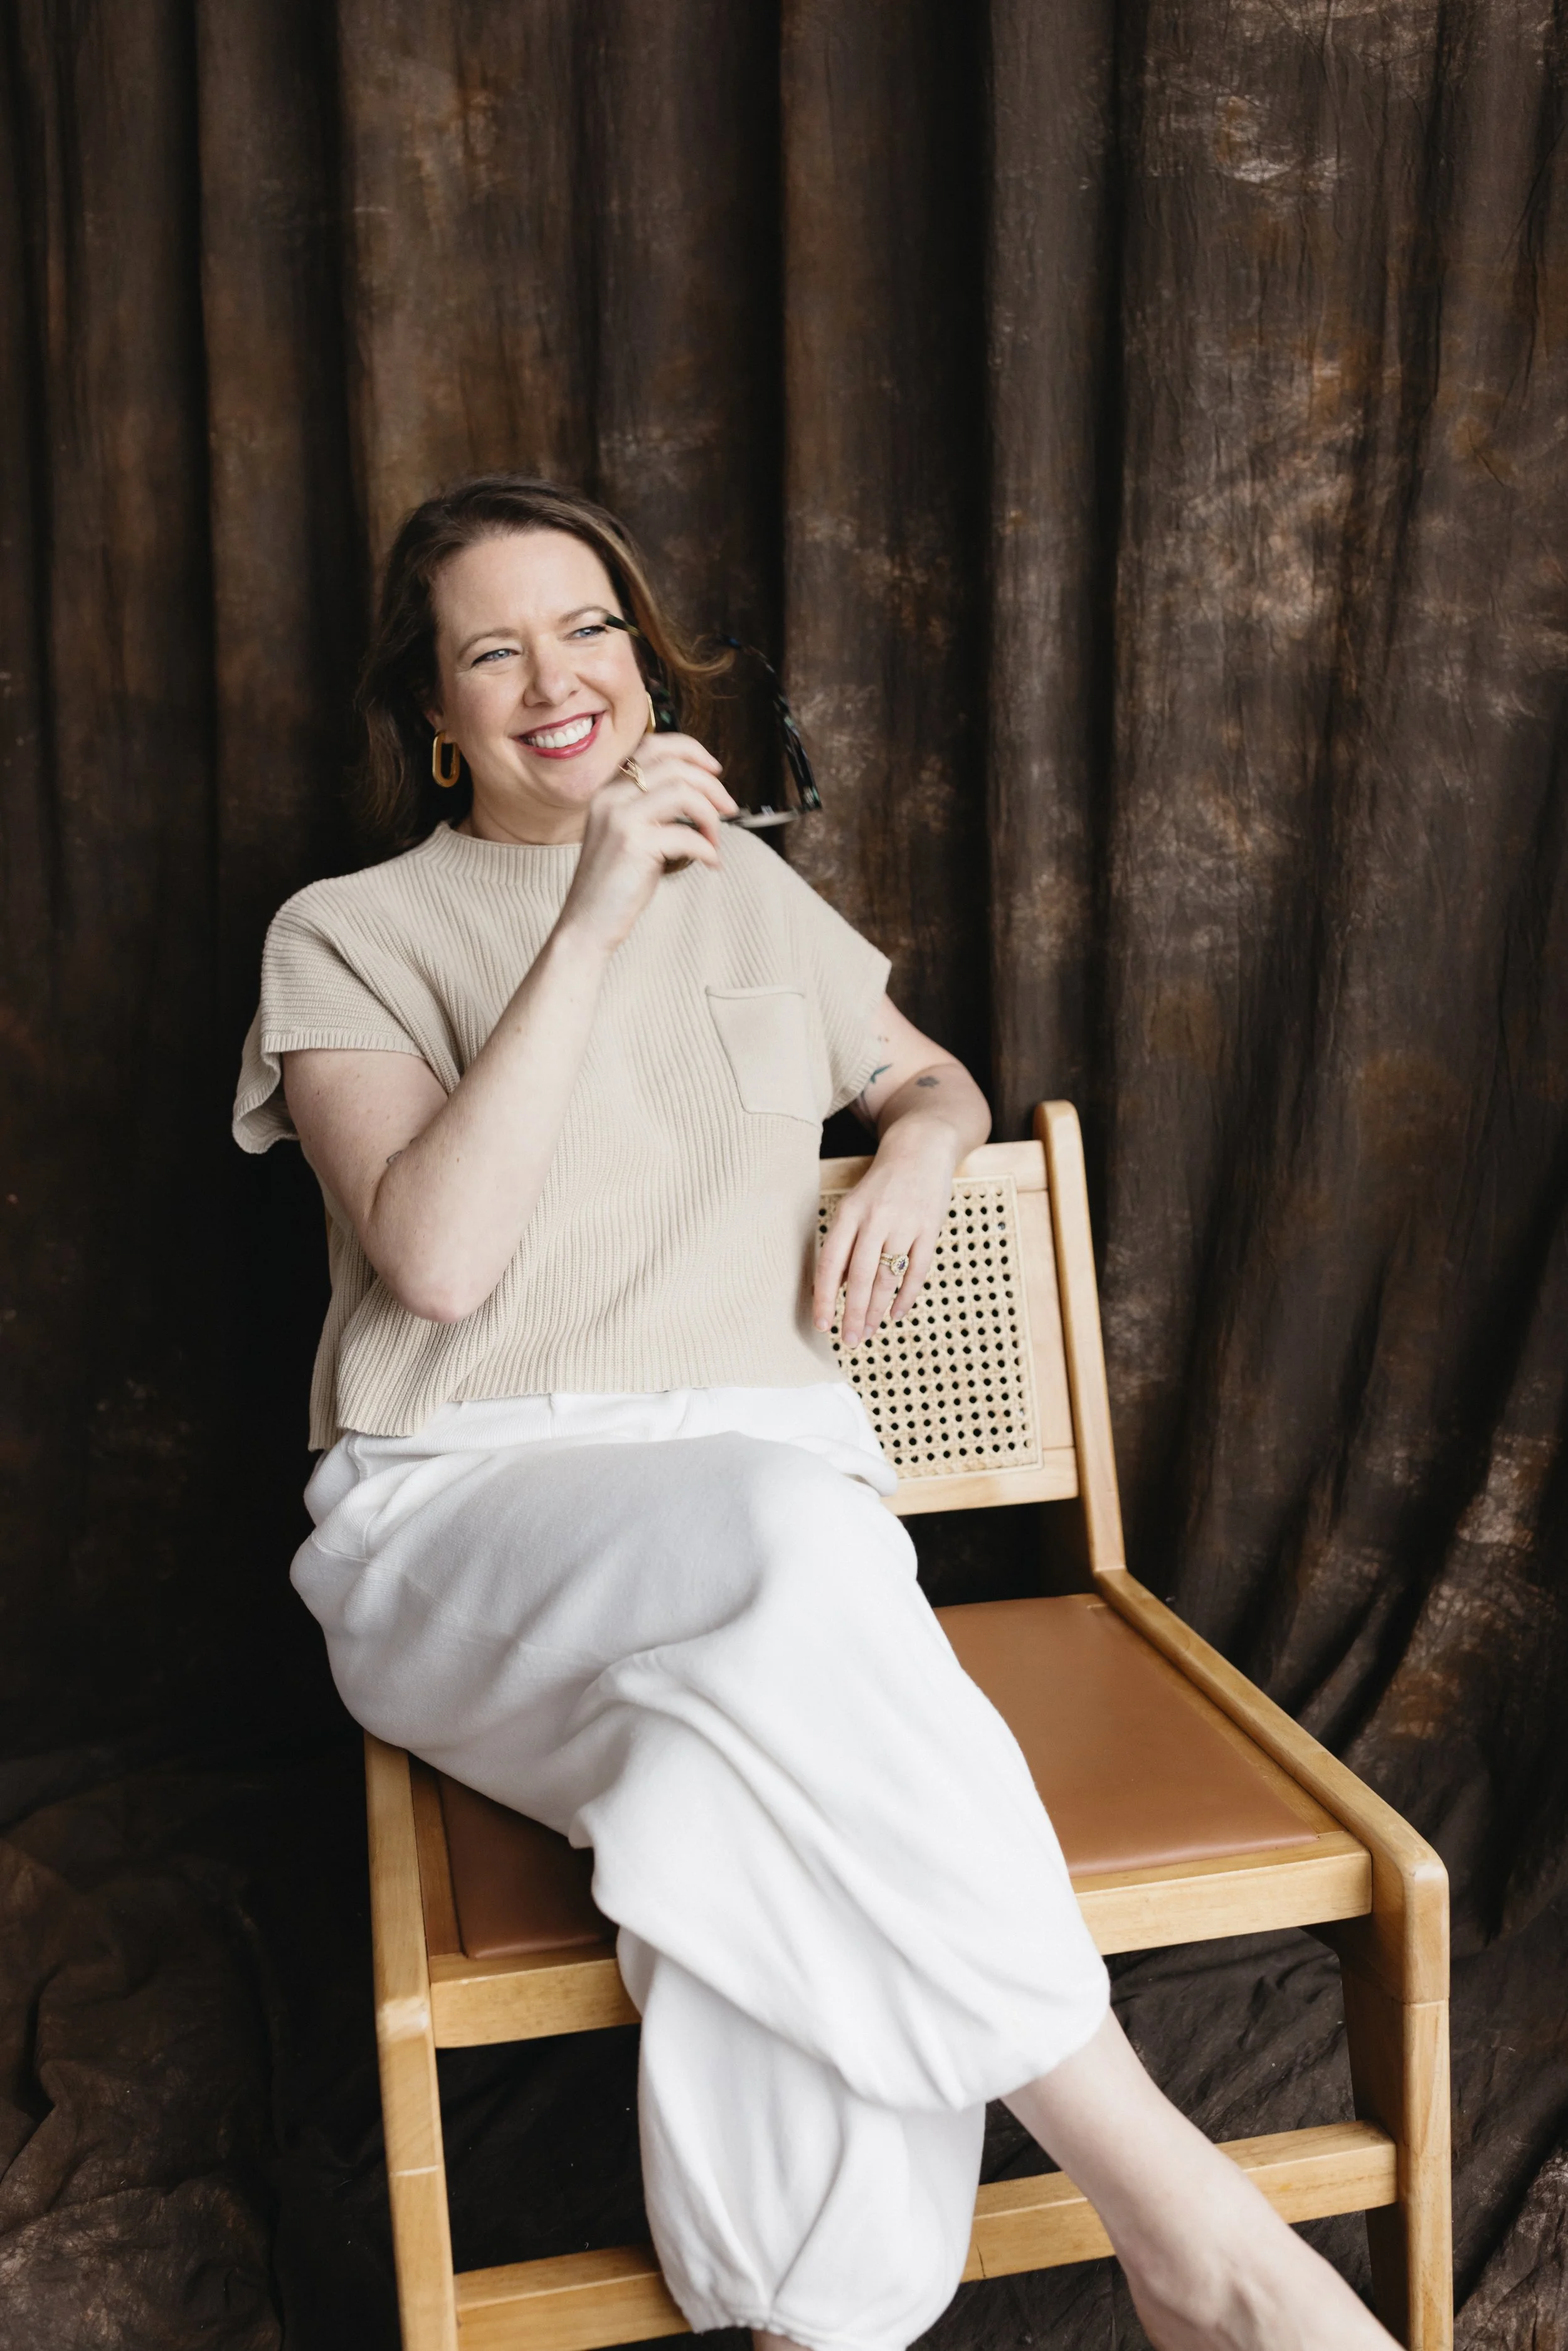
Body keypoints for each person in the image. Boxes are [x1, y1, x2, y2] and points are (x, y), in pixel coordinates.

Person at [233, 475, 1395, 2351]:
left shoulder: (750, 887)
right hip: (469, 1517)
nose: (558, 678)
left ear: (641, 651)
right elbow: (438, 1263)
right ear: (431, 720)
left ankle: (815, 2329)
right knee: (795, 1560)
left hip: (770, 1527)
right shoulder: (347, 932)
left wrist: (929, 1136)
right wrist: (591, 919)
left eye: (590, 626)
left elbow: (922, 1067)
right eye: (492, 650)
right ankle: (1190, 2223)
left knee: (722, 1792)